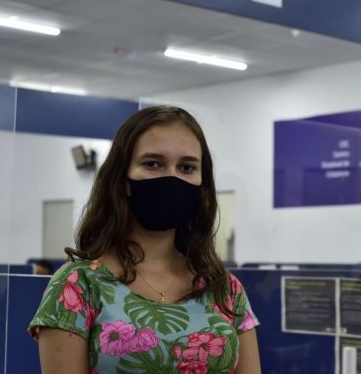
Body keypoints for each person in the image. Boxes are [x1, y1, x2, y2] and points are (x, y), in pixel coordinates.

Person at [28, 106, 261, 373]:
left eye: (186, 167)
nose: (172, 178)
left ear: (202, 184)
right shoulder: (77, 286)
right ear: (123, 180)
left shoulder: (225, 289)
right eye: (153, 164)